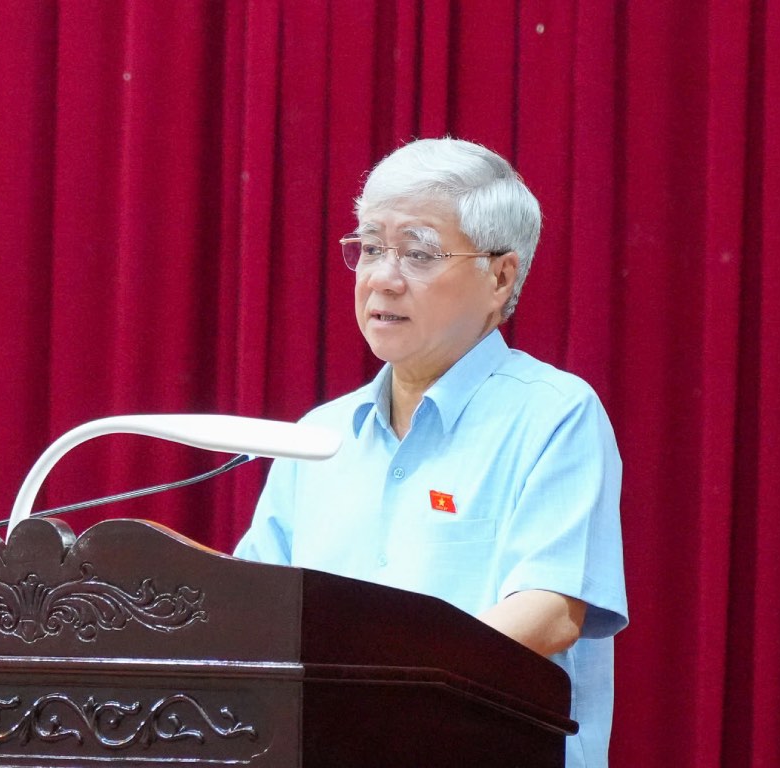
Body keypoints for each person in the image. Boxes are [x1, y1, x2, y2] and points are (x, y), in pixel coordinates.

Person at [233, 137, 627, 768]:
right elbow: (251, 610)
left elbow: (548, 611)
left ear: (500, 276)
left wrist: (375, 701)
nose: (382, 278)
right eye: (370, 248)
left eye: (417, 253)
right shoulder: (318, 437)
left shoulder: (554, 414)